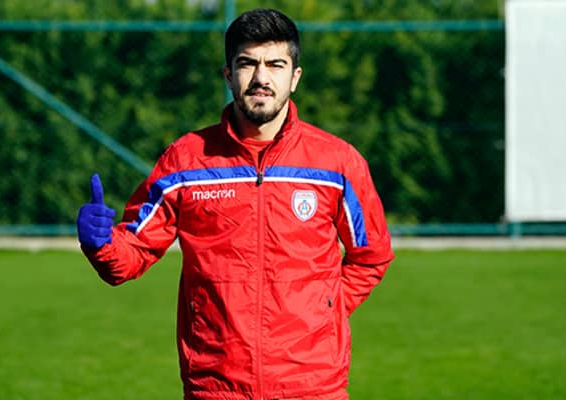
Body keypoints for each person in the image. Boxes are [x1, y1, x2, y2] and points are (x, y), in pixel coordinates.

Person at [77, 8, 394, 400]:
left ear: (295, 77)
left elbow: (371, 256)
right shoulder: (187, 161)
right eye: (248, 64)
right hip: (215, 385)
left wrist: (324, 311)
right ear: (228, 76)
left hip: (312, 386)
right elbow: (134, 251)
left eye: (275, 65)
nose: (261, 78)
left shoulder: (337, 163)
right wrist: (102, 244)